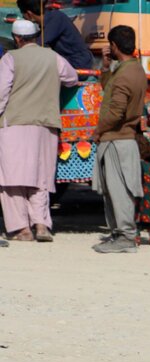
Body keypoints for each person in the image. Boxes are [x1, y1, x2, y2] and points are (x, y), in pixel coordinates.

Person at [0, 19, 78, 242]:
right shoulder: (53, 57)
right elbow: (72, 78)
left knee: (11, 179)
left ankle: (21, 229)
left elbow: (1, 93)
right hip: (46, 125)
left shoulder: (10, 59)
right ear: (35, 35)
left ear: (16, 38)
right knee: (40, 178)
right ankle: (42, 225)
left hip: (14, 125)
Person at [91, 25, 147, 254]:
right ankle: (119, 234)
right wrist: (106, 69)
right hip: (124, 138)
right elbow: (112, 91)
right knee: (116, 189)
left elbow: (116, 111)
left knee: (118, 190)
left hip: (116, 139)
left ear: (114, 46)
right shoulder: (134, 70)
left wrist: (97, 131)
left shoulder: (124, 74)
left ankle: (124, 236)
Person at [17, 0, 94, 70]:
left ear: (29, 14)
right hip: (68, 63)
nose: (24, 18)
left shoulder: (56, 18)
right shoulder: (48, 22)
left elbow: (37, 46)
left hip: (78, 65)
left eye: (23, 15)